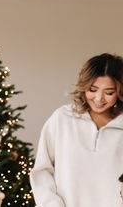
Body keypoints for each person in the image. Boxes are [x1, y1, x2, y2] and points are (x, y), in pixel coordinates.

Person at [30, 53, 123, 207]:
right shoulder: (62, 119)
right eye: (93, 90)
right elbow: (42, 170)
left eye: (109, 93)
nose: (99, 98)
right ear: (84, 86)